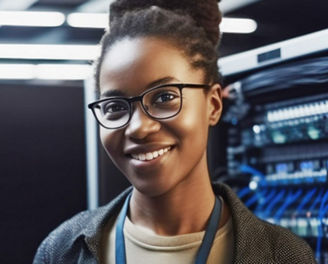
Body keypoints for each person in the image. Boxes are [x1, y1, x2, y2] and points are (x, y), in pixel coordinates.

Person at [33, 0, 316, 263]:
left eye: (164, 98)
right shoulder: (62, 250)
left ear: (213, 105)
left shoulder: (284, 255)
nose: (139, 128)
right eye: (116, 106)